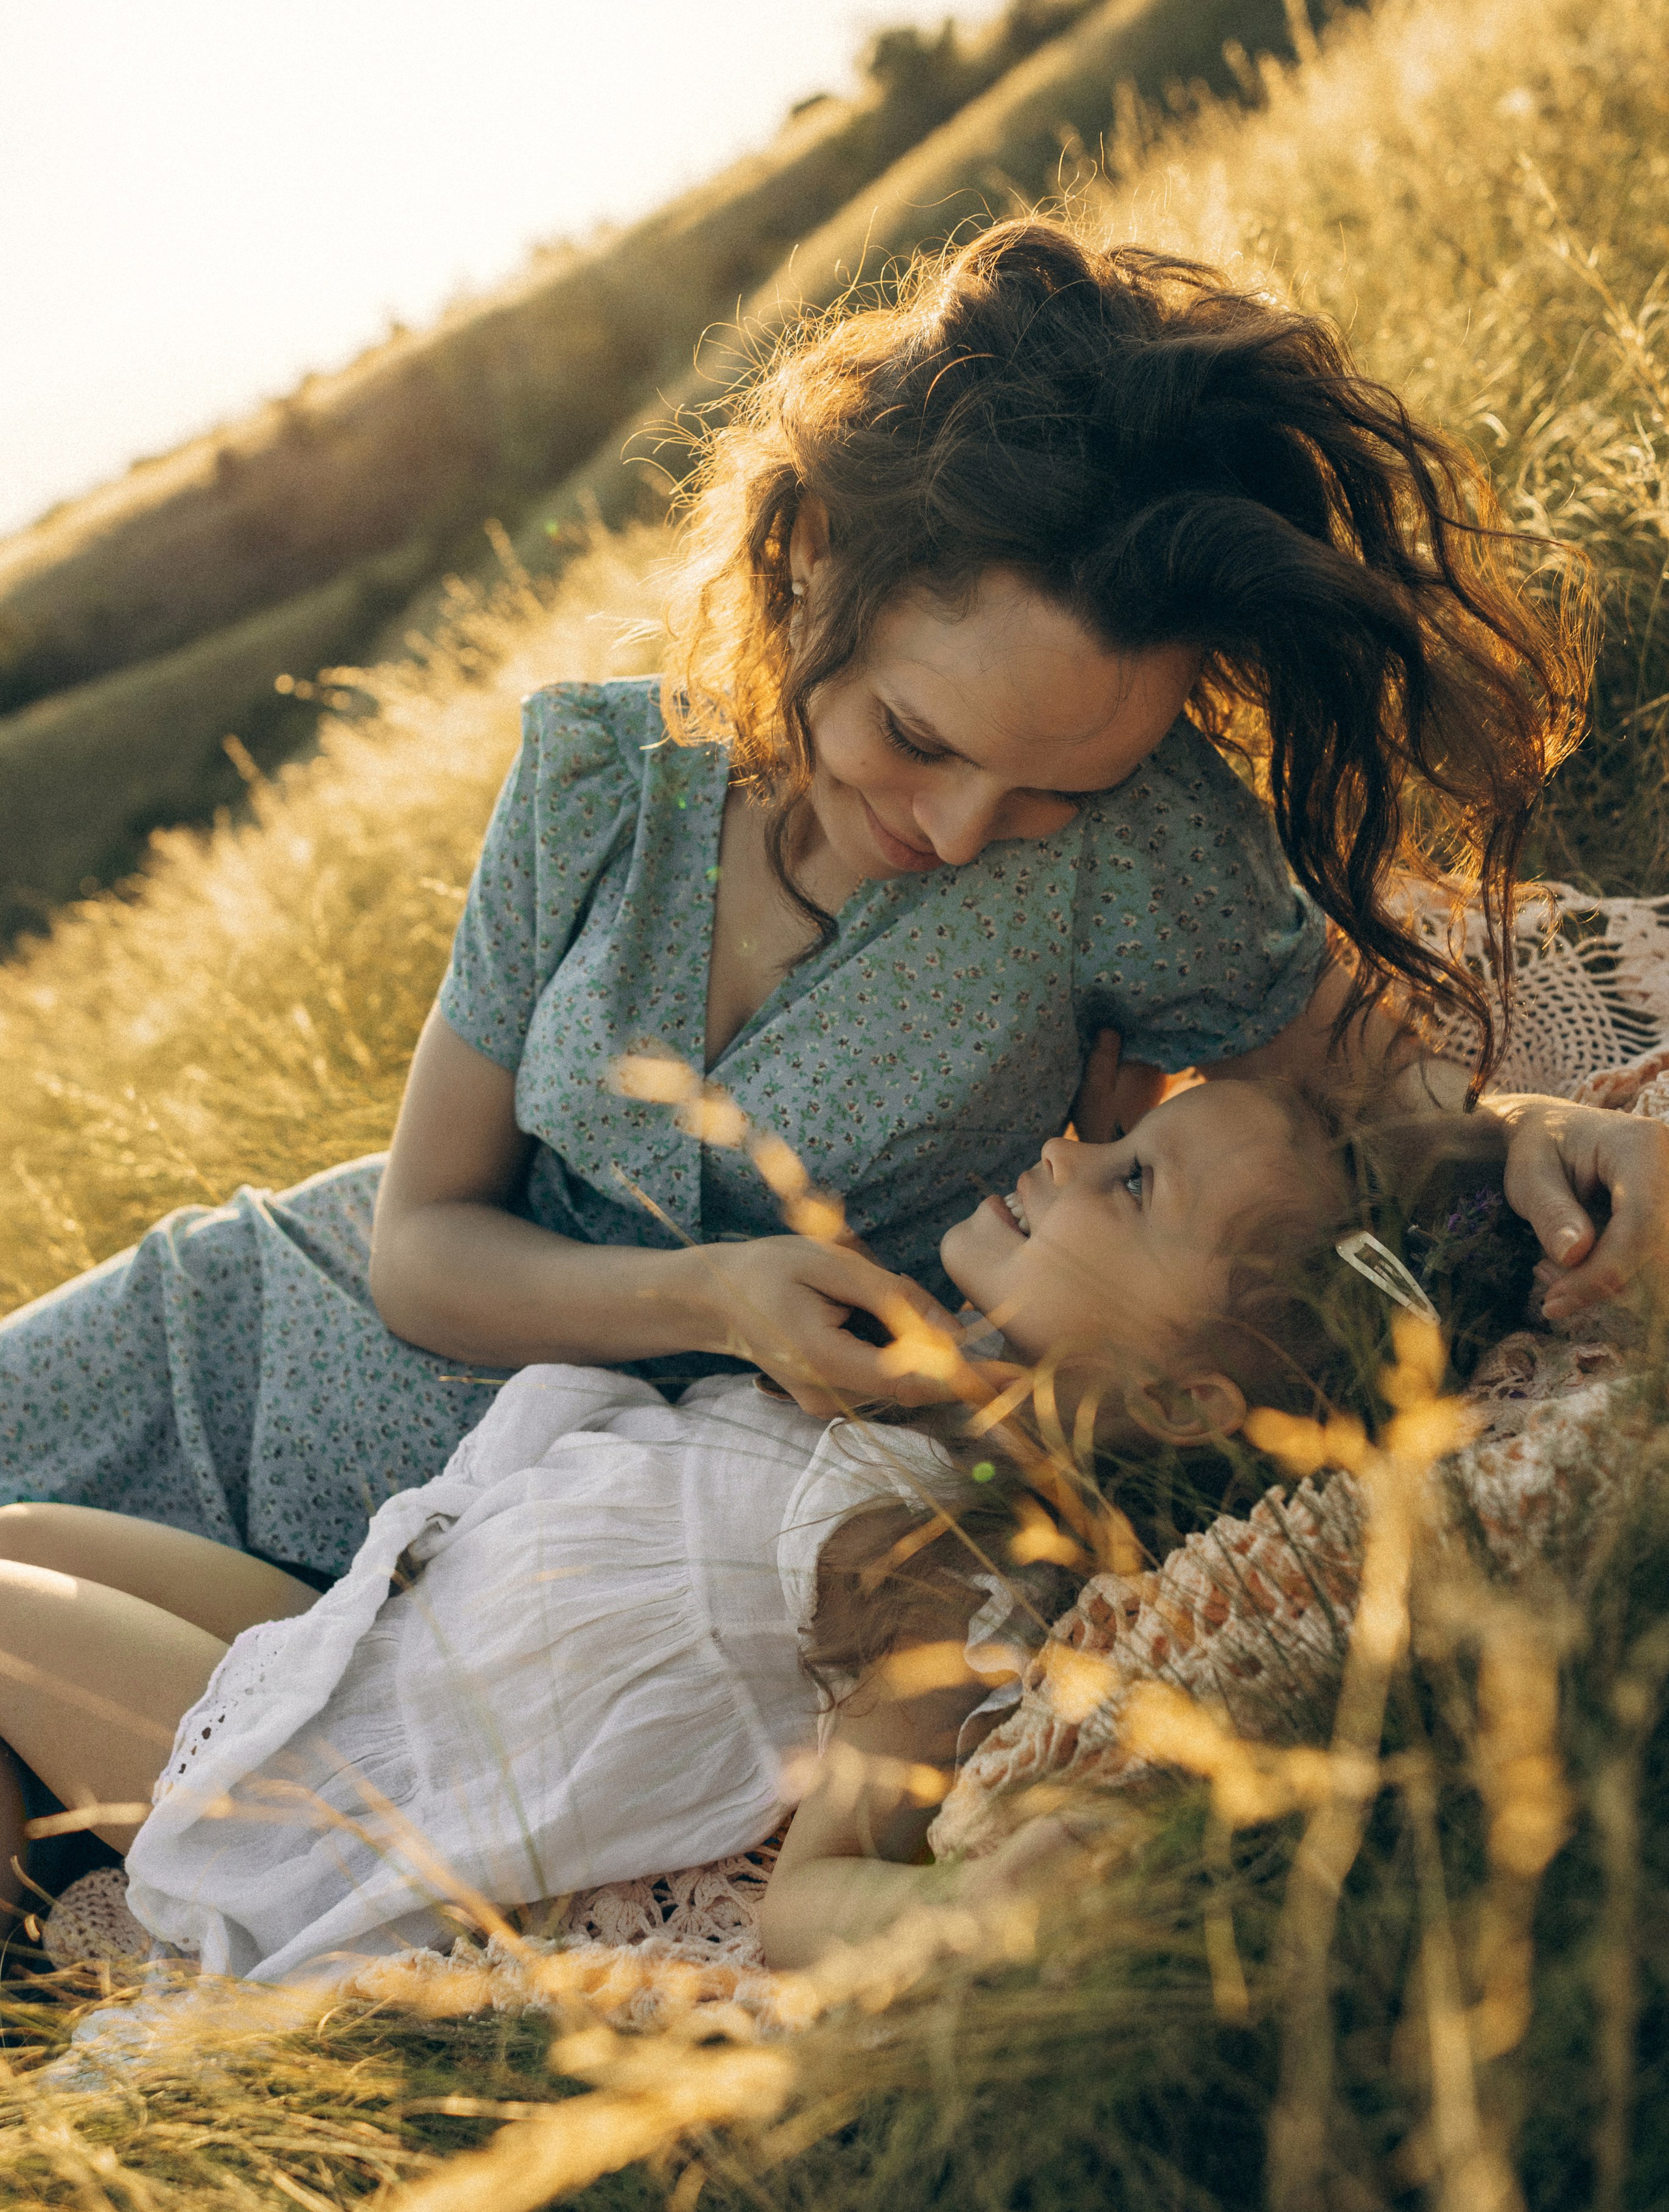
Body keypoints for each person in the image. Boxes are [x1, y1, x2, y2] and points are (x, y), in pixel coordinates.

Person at [3, 215, 1664, 1584]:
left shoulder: (1136, 841)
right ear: (804, 575)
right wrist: (710, 1299)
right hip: (217, 1344)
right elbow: (419, 1244)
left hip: (467, 1562)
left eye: (1047, 789)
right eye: (913, 737)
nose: (956, 828)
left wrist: (1525, 1140)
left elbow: (1345, 1131)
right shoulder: (595, 775)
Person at [0, 1077, 1550, 1975]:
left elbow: (814, 1901)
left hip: (331, 1812)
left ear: (1198, 1404)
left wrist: (967, 1911)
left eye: (1130, 1182)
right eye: (1118, 1134)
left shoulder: (964, 1571)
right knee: (24, 1526)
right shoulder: (897, 1381)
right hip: (343, 1641)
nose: (1072, 1150)